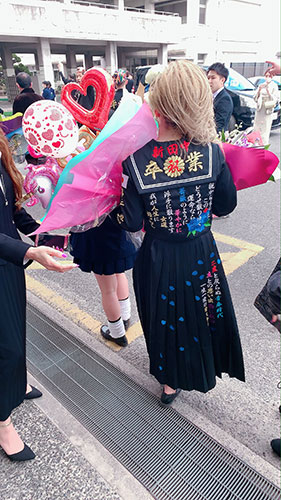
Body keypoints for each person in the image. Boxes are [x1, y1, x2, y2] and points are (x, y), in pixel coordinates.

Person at [112, 60, 245, 406]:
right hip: (202, 252)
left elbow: (131, 222)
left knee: (164, 317)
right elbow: (227, 205)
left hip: (158, 255)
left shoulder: (135, 159)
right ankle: (204, 366)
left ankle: (169, 382)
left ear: (157, 105)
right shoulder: (213, 151)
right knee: (201, 312)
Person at [0, 129, 77, 461]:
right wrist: (30, 253)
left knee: (15, 332)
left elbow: (13, 212)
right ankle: (3, 423)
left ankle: (16, 383)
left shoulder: (2, 154)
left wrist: (47, 234)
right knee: (7, 346)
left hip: (9, 263)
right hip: (8, 258)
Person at [253, 70, 279, 145]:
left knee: (265, 127)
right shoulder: (261, 84)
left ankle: (264, 144)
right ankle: (256, 143)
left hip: (267, 108)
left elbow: (276, 98)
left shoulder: (274, 85)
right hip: (260, 107)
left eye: (269, 76)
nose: (267, 78)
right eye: (266, 76)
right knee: (257, 127)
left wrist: (268, 92)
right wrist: (259, 90)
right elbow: (255, 97)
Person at [207, 63, 233, 134]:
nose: (209, 81)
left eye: (213, 78)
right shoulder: (209, 96)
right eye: (208, 78)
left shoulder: (224, 99)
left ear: (222, 80)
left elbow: (219, 124)